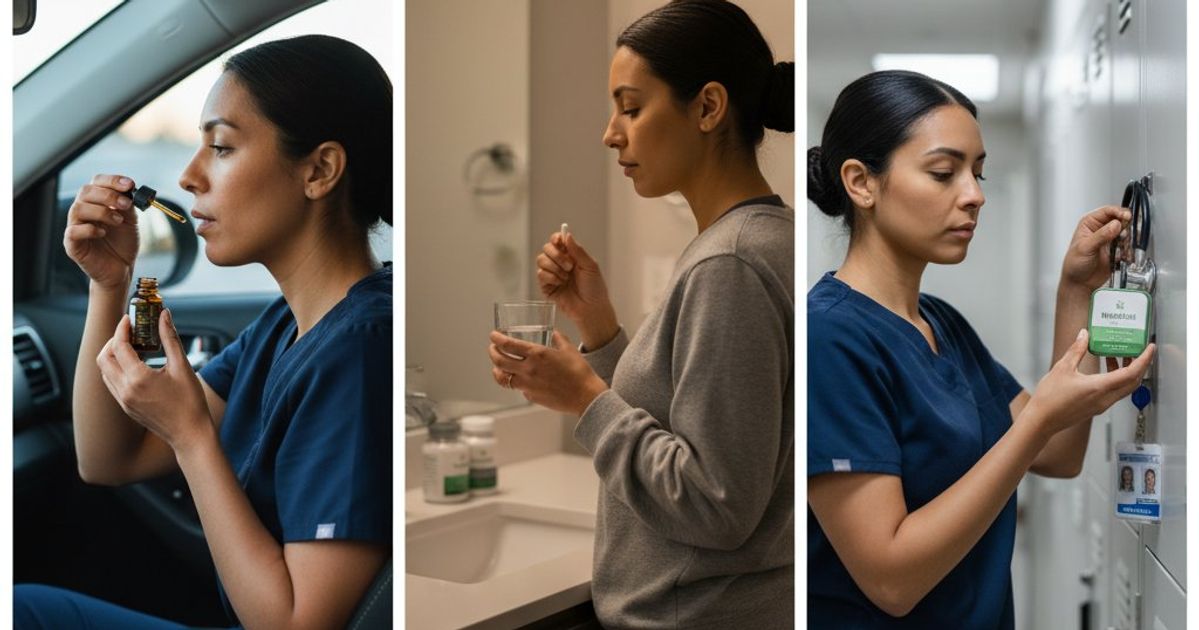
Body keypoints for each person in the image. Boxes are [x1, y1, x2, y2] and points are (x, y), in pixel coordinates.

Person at [15, 35, 392, 629]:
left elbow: (297, 624)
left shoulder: (359, 348)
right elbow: (107, 459)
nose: (188, 176)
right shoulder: (288, 324)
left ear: (319, 170)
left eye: (220, 147)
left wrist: (192, 435)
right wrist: (109, 284)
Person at [807, 69, 1155, 628]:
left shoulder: (941, 325)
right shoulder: (829, 338)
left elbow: (1059, 454)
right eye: (943, 173)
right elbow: (891, 579)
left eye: (978, 173)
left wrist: (1077, 290)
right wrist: (1036, 420)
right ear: (860, 182)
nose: (974, 196)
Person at [485, 1, 794, 627]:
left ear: (708, 107)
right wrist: (598, 329)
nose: (610, 133)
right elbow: (690, 423)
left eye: (631, 107)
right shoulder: (757, 241)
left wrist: (586, 400)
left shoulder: (728, 265)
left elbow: (715, 504)